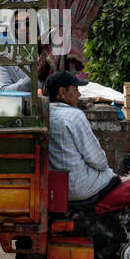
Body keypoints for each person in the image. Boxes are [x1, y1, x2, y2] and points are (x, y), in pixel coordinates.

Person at [45, 70, 116, 204]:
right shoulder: (74, 116)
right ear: (62, 92)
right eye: (75, 89)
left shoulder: (44, 114)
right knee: (111, 176)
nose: (79, 94)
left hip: (52, 187)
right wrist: (106, 169)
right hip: (77, 187)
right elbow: (98, 160)